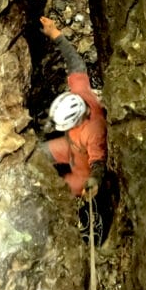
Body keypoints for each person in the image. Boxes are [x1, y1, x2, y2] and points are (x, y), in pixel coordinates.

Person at [39, 16, 107, 202]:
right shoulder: (80, 93)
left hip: (82, 168)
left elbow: (98, 162)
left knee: (58, 195)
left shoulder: (95, 131)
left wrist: (93, 182)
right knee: (38, 155)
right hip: (70, 147)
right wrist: (55, 33)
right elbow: (75, 63)